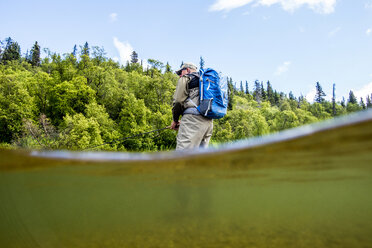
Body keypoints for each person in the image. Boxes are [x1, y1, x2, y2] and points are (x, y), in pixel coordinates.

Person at [170, 62, 213, 150]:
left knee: (183, 155)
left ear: (187, 70)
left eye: (180, 73)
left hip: (192, 121)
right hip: (208, 122)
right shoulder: (205, 80)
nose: (180, 76)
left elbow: (178, 101)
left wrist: (175, 120)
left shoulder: (186, 78)